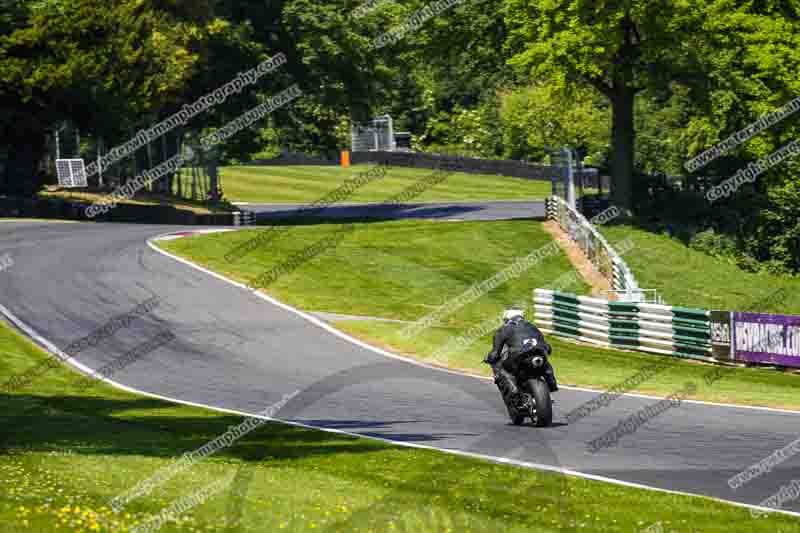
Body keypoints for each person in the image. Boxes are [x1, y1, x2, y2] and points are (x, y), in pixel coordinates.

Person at [483, 309, 558, 401]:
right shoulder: (533, 327)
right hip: (539, 353)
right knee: (545, 363)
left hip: (518, 356)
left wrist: (489, 359)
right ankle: (552, 384)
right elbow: (548, 347)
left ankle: (513, 389)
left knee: (499, 366)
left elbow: (495, 353)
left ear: (507, 319)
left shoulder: (503, 329)